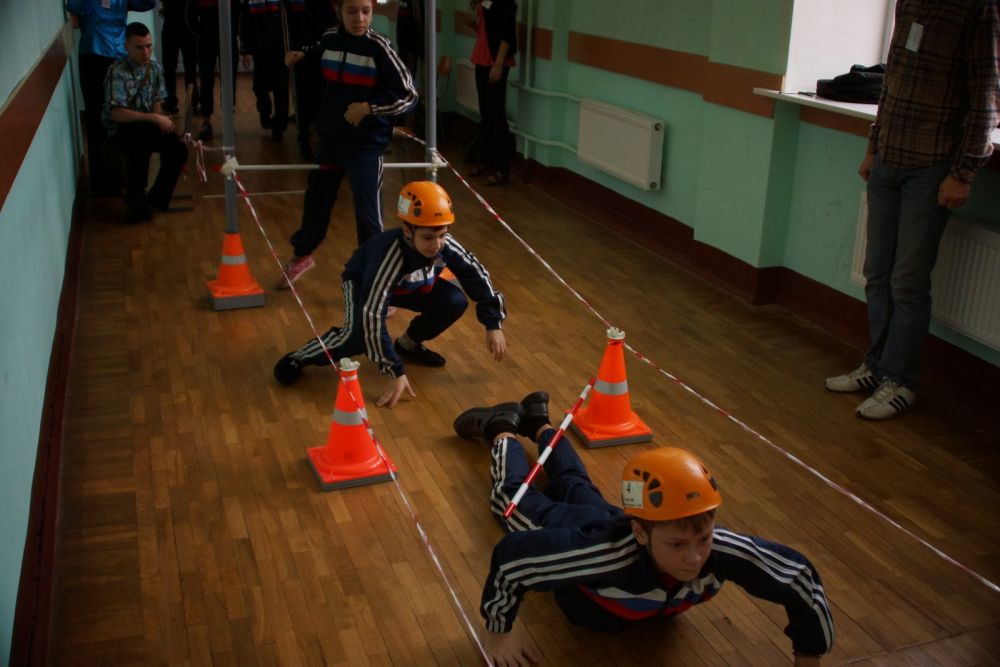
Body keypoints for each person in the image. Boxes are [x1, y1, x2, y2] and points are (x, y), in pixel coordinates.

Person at [452, 394, 835, 666]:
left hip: (610, 520)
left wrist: (809, 654)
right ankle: (503, 428)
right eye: (677, 544)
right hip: (578, 528)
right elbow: (512, 559)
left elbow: (798, 576)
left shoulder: (720, 551)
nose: (695, 557)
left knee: (574, 481)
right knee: (510, 500)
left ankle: (539, 421)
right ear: (640, 534)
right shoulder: (601, 554)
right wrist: (499, 630)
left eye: (703, 539)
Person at [825, 0, 1000, 420]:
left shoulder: (978, 9)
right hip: (889, 161)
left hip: (932, 167)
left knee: (907, 281)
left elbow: (985, 100)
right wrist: (874, 147)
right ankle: (876, 367)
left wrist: (963, 173)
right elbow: (891, 82)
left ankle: (901, 381)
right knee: (877, 272)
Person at [273, 181, 507, 408]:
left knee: (453, 301)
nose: (436, 244)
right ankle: (300, 357)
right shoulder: (389, 257)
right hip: (363, 285)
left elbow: (477, 275)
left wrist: (493, 323)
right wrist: (394, 370)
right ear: (407, 230)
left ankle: (407, 345)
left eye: (442, 235)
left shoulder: (445, 246)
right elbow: (372, 315)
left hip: (410, 285)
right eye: (428, 237)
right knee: (357, 337)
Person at [277, 0, 417, 290]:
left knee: (368, 216)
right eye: (352, 12)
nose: (359, 18)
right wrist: (303, 55)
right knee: (316, 202)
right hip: (332, 139)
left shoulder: (380, 48)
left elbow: (408, 94)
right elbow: (320, 51)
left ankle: (377, 279)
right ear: (338, 10)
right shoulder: (330, 38)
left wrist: (368, 107)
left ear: (372, 10)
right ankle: (302, 255)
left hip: (365, 145)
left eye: (366, 11)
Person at [65, 0, 157, 196]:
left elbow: (148, 3)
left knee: (126, 117)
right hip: (93, 57)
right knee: (96, 118)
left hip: (120, 57)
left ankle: (125, 177)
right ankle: (101, 182)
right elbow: (72, 6)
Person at [103, 22, 190, 223]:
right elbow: (116, 113)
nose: (145, 52)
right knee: (140, 143)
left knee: (178, 150)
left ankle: (156, 198)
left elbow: (156, 103)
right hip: (122, 129)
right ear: (126, 46)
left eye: (149, 46)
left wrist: (159, 123)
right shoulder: (117, 71)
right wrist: (154, 119)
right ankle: (135, 200)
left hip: (145, 126)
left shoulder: (155, 69)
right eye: (139, 47)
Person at [465, 0, 517, 186]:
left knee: (496, 115)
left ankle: (502, 169)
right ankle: (486, 161)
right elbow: (488, 30)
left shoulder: (505, 3)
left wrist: (498, 64)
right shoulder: (484, 2)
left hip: (496, 62)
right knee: (486, 113)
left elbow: (507, 34)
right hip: (482, 58)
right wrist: (474, 25)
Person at [285, 0, 339, 160]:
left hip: (322, 55)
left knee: (322, 97)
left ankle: (322, 139)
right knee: (303, 99)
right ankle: (303, 140)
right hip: (301, 53)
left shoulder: (326, 6)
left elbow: (331, 25)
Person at [240, 0, 290, 141]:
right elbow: (244, 25)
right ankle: (265, 110)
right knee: (259, 87)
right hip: (260, 50)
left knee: (281, 89)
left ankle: (279, 127)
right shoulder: (249, 2)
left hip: (281, 50)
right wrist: (246, 51)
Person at [195, 0, 241, 141]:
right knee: (206, 79)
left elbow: (238, 10)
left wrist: (235, 32)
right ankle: (206, 122)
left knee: (229, 81)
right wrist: (198, 32)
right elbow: (190, 11)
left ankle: (228, 122)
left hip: (228, 35)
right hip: (205, 36)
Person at [159, 0, 200, 114]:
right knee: (172, 68)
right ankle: (183, 103)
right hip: (183, 26)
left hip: (183, 27)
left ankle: (178, 102)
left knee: (184, 69)